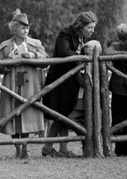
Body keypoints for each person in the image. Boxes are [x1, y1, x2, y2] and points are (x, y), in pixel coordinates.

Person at [41, 11, 98, 158]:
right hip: (60, 79)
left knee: (63, 114)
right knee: (62, 114)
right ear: (81, 26)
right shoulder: (65, 33)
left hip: (70, 79)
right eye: (90, 27)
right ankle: (51, 148)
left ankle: (60, 149)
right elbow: (64, 52)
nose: (92, 30)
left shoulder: (81, 37)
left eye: (93, 27)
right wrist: (84, 57)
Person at [0, 10, 48, 159]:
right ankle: (17, 148)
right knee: (12, 116)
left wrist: (34, 55)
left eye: (27, 28)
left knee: (27, 114)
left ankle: (25, 148)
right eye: (22, 28)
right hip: (11, 85)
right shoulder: (5, 45)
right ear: (14, 29)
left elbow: (46, 60)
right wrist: (9, 60)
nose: (26, 31)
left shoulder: (35, 44)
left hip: (30, 85)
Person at [104, 22, 127, 157]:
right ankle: (120, 149)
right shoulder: (116, 46)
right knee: (119, 118)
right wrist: (124, 53)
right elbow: (107, 52)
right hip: (119, 88)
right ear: (122, 40)